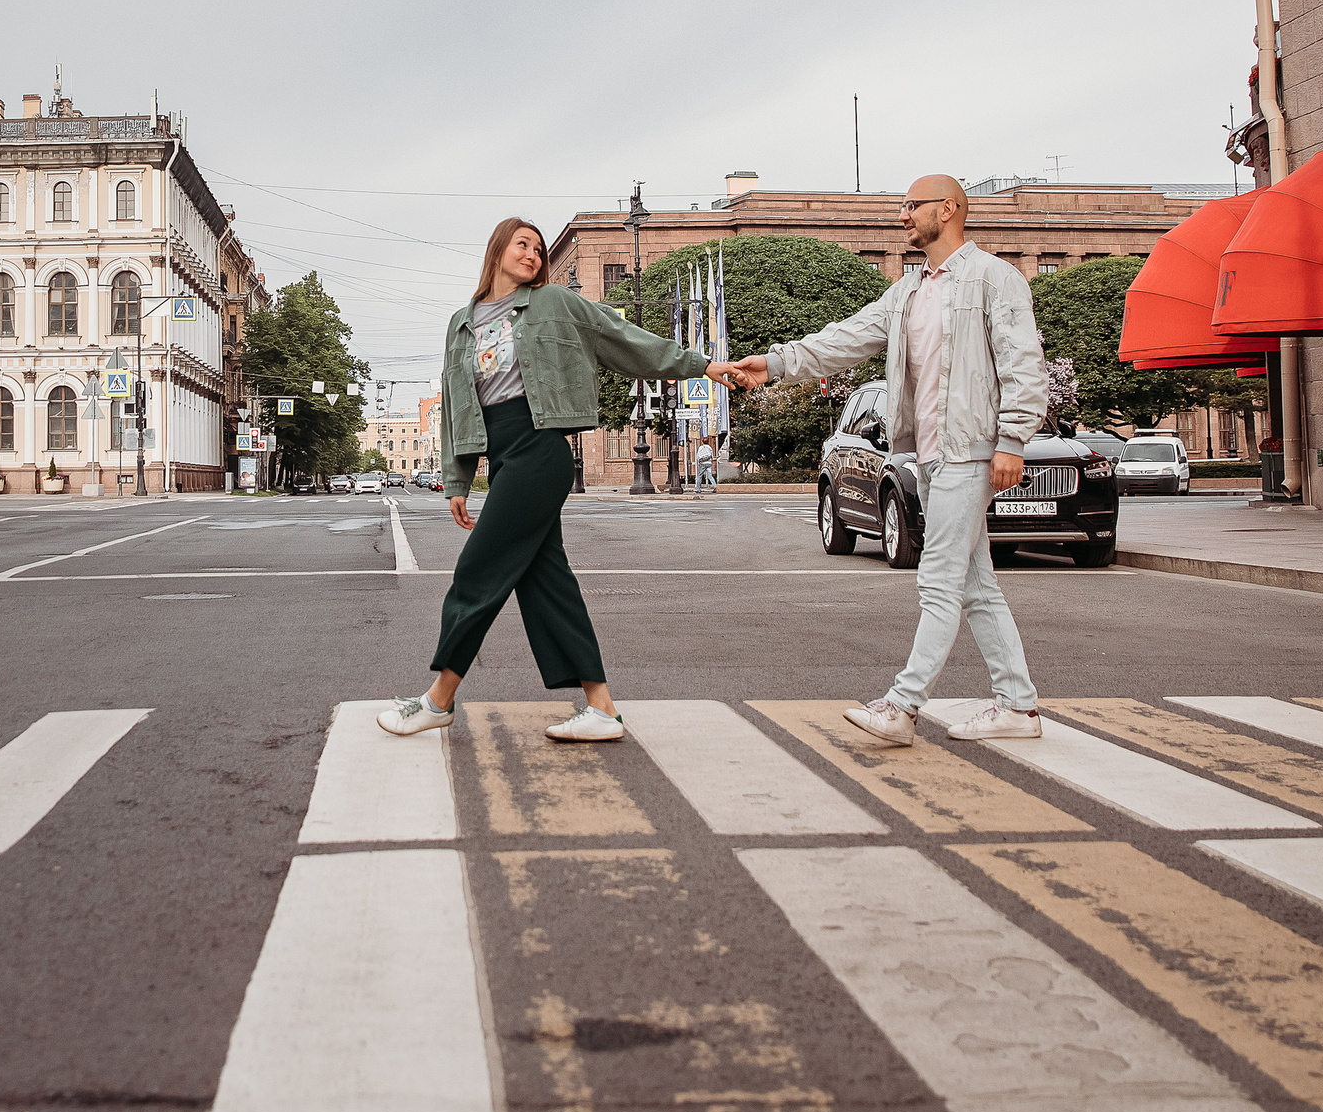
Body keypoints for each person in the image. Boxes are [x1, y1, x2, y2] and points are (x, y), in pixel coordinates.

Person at [381, 219, 742, 743]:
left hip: (539, 444)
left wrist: (701, 365)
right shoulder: (462, 322)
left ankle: (438, 699)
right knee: (545, 581)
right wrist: (456, 479)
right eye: (521, 244)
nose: (532, 253)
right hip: (501, 451)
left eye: (538, 248)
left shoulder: (553, 302)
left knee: (480, 569)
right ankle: (601, 707)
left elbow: (621, 338)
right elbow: (456, 402)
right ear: (497, 249)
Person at [730, 175, 1049, 743]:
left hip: (968, 451)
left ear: (947, 209)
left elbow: (1023, 362)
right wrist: (776, 364)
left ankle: (903, 706)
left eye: (911, 206)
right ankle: (1018, 708)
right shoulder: (906, 293)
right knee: (976, 586)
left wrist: (1012, 441)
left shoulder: (994, 278)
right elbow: (845, 339)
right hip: (928, 456)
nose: (903, 216)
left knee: (940, 579)